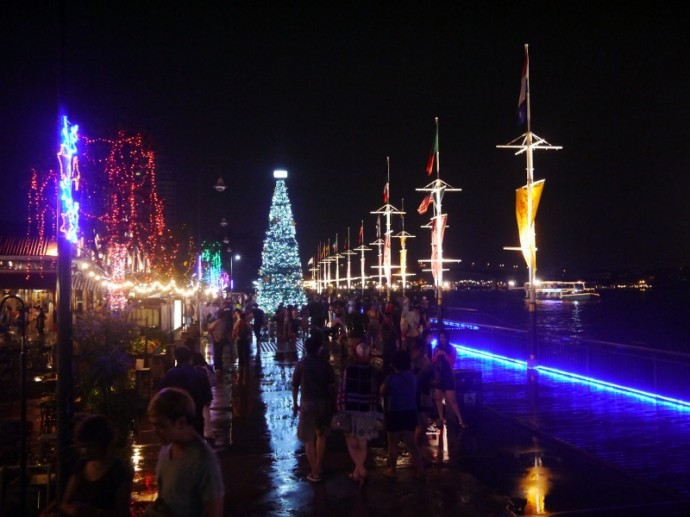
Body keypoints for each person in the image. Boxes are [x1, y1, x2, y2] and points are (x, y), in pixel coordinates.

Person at [147, 387, 224, 517]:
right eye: (154, 426)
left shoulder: (203, 460)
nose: (156, 432)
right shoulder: (167, 448)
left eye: (161, 426)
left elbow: (214, 512)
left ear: (181, 422)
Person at [43, 414, 133, 517]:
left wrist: (95, 513)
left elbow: (123, 513)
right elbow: (65, 502)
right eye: (82, 447)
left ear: (103, 443)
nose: (84, 451)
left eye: (90, 446)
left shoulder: (120, 472)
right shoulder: (81, 466)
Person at [337, 342, 382, 485]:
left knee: (351, 442)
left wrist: (340, 407)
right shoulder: (373, 372)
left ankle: (360, 470)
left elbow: (342, 391)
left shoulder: (349, 370)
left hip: (350, 410)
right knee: (362, 442)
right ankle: (358, 471)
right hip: (367, 411)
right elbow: (376, 393)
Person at [291, 336, 336, 483]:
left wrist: (295, 403)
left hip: (307, 403)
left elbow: (295, 385)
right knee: (321, 436)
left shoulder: (302, 364)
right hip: (323, 403)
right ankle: (318, 466)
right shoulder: (325, 364)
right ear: (319, 348)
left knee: (308, 439)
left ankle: (315, 472)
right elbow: (332, 385)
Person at [380, 350, 424, 479]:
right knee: (411, 443)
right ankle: (420, 469)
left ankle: (392, 469)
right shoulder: (412, 377)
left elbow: (382, 392)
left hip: (395, 412)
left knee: (392, 442)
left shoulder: (391, 378)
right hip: (410, 411)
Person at [160, 345, 212, 436]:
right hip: (196, 423)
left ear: (176, 358)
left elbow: (160, 398)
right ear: (190, 357)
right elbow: (208, 401)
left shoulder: (169, 375)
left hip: (175, 424)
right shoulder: (200, 374)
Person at [432, 330, 467, 429]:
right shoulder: (436, 348)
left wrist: (444, 354)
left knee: (452, 399)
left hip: (448, 375)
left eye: (444, 337)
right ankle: (441, 418)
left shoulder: (452, 348)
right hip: (438, 375)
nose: (442, 339)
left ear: (447, 338)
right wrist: (437, 354)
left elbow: (452, 362)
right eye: (440, 337)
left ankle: (460, 420)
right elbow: (433, 361)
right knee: (438, 398)